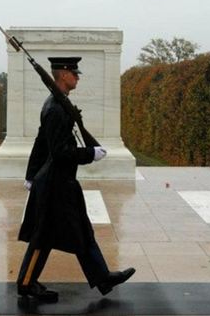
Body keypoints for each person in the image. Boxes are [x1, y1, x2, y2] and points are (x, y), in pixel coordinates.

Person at [16, 56, 135, 303]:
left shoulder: (59, 105)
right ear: (63, 75)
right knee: (42, 236)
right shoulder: (55, 109)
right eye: (75, 73)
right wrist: (89, 153)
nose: (78, 77)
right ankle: (26, 283)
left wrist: (31, 173)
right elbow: (59, 152)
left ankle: (103, 277)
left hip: (62, 182)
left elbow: (41, 144)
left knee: (82, 230)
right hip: (54, 185)